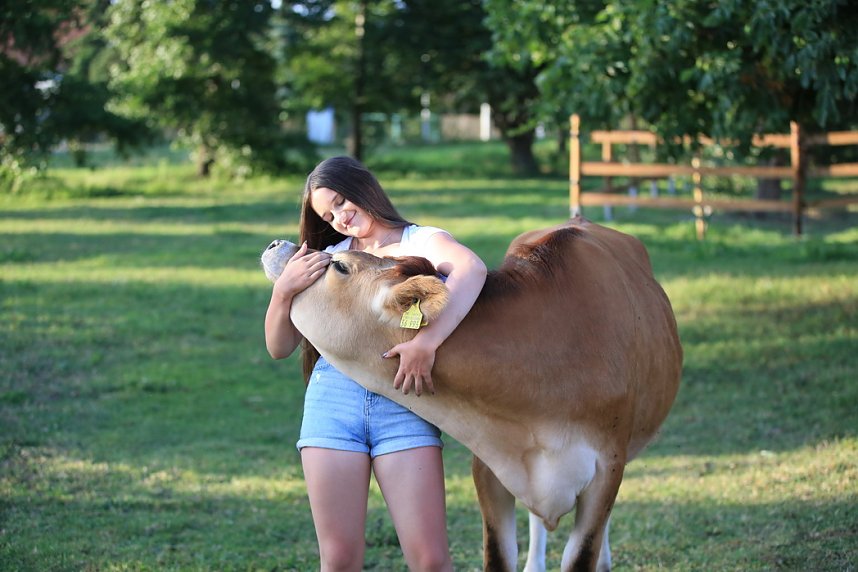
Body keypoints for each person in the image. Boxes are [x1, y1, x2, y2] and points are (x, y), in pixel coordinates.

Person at [264, 156, 487, 571]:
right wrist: (283, 292)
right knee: (340, 561)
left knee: (432, 561)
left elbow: (471, 269)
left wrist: (428, 343)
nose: (341, 217)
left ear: (364, 186)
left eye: (342, 201)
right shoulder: (328, 258)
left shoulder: (419, 241)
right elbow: (279, 347)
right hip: (332, 406)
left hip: (404, 405)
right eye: (328, 215)